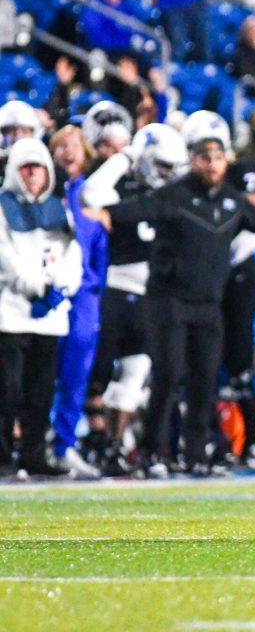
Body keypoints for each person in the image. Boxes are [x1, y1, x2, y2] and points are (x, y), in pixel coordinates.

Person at [82, 113, 255, 476]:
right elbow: (141, 208)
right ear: (195, 162)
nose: (213, 165)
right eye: (205, 158)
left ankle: (198, 455)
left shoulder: (232, 202)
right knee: (167, 377)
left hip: (208, 305)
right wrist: (108, 213)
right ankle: (155, 452)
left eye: (218, 158)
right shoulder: (175, 195)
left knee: (204, 382)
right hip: (168, 300)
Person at [81, 123, 188, 476]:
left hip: (151, 295)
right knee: (95, 375)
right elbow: (91, 193)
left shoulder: (174, 195)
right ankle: (94, 443)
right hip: (113, 287)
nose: (167, 174)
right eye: (161, 165)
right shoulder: (123, 184)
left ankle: (114, 448)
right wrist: (126, 156)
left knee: (135, 372)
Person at [0, 138, 83, 477]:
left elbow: (73, 256)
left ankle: (34, 453)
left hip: (49, 318)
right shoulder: (3, 207)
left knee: (41, 392)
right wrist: (38, 288)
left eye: (38, 167)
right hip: (11, 313)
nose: (33, 174)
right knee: (8, 391)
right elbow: (6, 259)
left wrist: (62, 287)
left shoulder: (57, 210)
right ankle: (3, 455)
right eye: (26, 167)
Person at [46, 126, 108, 478]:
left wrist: (95, 292)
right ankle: (31, 443)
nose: (68, 152)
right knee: (37, 373)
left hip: (83, 293)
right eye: (60, 146)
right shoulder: (41, 191)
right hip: (46, 290)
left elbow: (101, 254)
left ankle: (65, 444)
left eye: (74, 146)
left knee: (77, 373)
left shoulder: (94, 197)